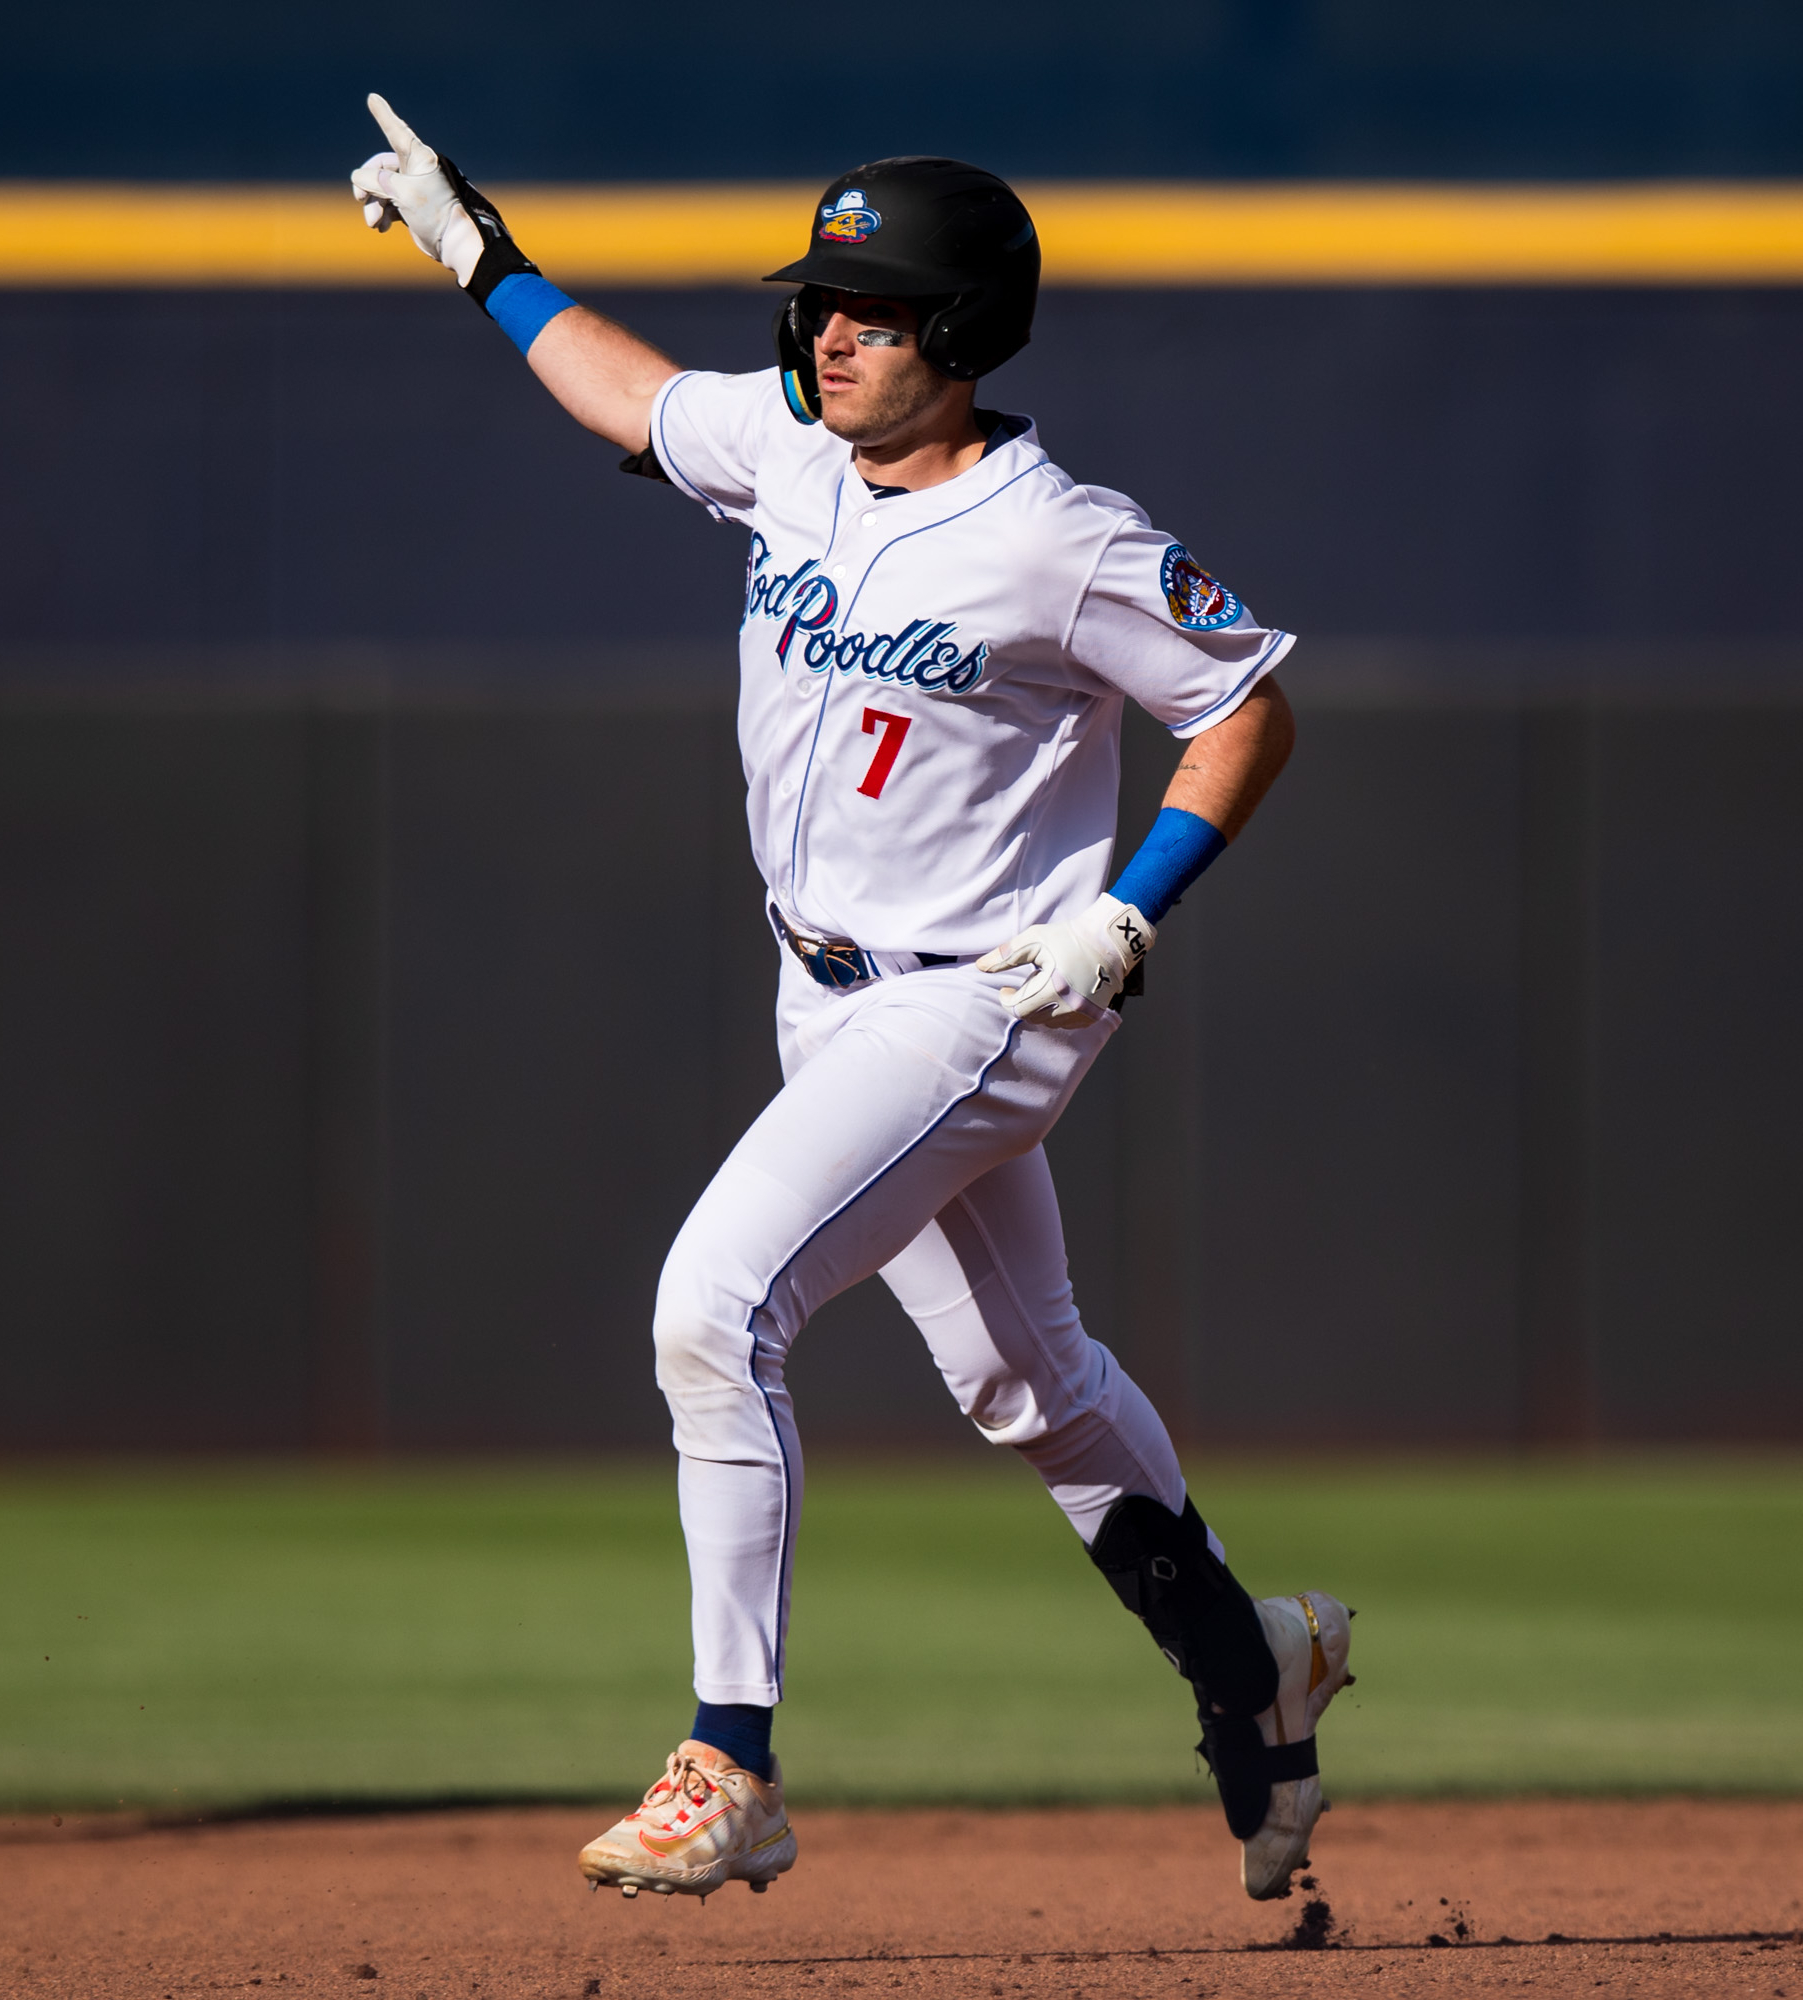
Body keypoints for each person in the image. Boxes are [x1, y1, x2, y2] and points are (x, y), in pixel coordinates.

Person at [352, 102, 1350, 1905]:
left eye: (868, 312)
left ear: (959, 336)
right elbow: (634, 394)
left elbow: (1247, 704)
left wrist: (1130, 911)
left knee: (711, 1308)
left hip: (988, 993)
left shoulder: (1064, 538)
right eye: (817, 301)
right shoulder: (794, 455)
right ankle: (1251, 1663)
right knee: (1021, 1384)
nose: (824, 332)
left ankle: (729, 1758)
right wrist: (477, 254)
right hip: (825, 994)